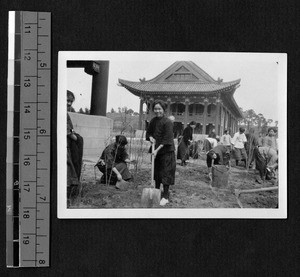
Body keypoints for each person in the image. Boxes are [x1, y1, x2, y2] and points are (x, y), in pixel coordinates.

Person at [146, 100, 176, 206]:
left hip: (166, 152)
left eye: (159, 109)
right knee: (157, 173)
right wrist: (150, 137)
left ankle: (166, 196)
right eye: (155, 109)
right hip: (156, 152)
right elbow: (149, 132)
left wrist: (156, 150)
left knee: (166, 174)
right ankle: (157, 192)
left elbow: (167, 139)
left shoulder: (167, 122)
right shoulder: (153, 121)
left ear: (164, 110)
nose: (157, 111)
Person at [67, 91, 84, 204]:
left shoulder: (66, 113)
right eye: (67, 101)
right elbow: (67, 131)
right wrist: (76, 138)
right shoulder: (59, 112)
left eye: (71, 102)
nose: (69, 103)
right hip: (65, 146)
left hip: (69, 144)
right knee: (68, 166)